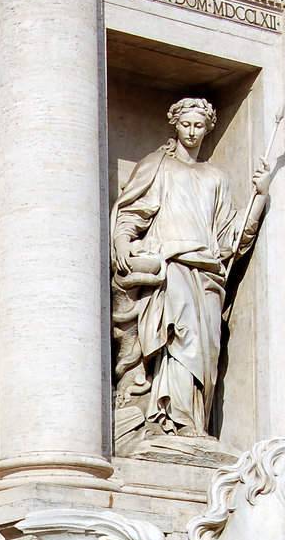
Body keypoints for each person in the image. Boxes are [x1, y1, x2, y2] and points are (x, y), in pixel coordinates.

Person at [111, 97, 271, 451]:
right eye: (187, 124)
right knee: (178, 342)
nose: (193, 131)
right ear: (176, 124)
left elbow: (232, 235)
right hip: (172, 270)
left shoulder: (215, 177)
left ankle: (193, 421)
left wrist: (259, 198)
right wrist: (122, 241)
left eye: (200, 126)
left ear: (208, 128)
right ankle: (169, 420)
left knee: (205, 349)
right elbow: (132, 213)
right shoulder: (156, 166)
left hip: (207, 275)